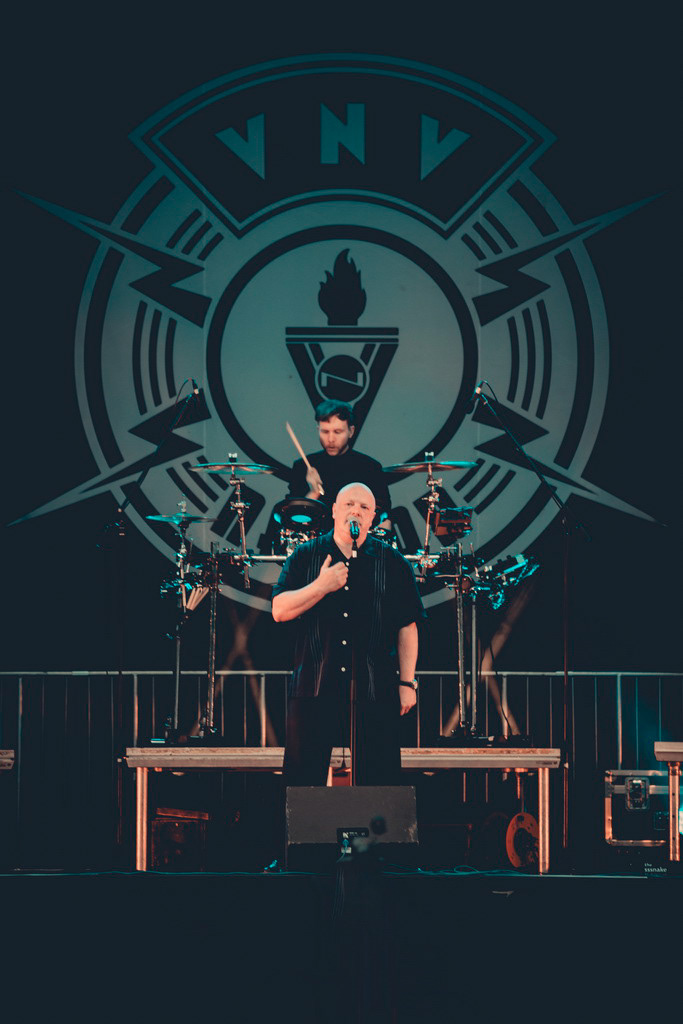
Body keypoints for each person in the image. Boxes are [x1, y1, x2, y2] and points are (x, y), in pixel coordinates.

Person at [272, 482, 426, 786]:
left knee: (380, 780)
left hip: (375, 686)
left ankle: (376, 821)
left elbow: (407, 625)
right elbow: (279, 610)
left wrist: (407, 682)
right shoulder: (306, 555)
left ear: (372, 518)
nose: (355, 511)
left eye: (364, 507)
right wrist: (321, 586)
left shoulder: (392, 562)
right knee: (304, 780)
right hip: (314, 684)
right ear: (334, 511)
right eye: (349, 504)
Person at [287, 400, 391, 523]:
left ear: (351, 431)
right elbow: (292, 518)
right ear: (318, 429)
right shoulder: (302, 466)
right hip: (316, 534)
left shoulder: (370, 467)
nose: (331, 439)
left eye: (337, 432)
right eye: (325, 431)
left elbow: (383, 512)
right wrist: (313, 493)